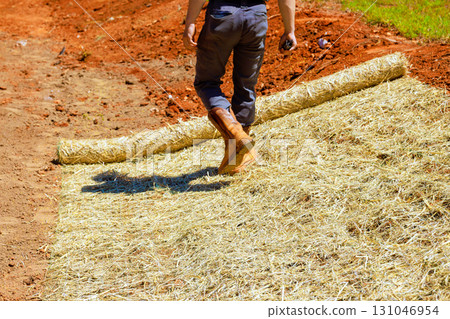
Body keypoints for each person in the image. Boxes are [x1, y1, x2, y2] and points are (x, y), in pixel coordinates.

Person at [183, 0, 297, 175]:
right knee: (246, 85)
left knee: (207, 82)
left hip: (223, 14)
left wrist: (190, 21)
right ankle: (238, 157)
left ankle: (236, 135)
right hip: (256, 17)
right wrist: (290, 30)